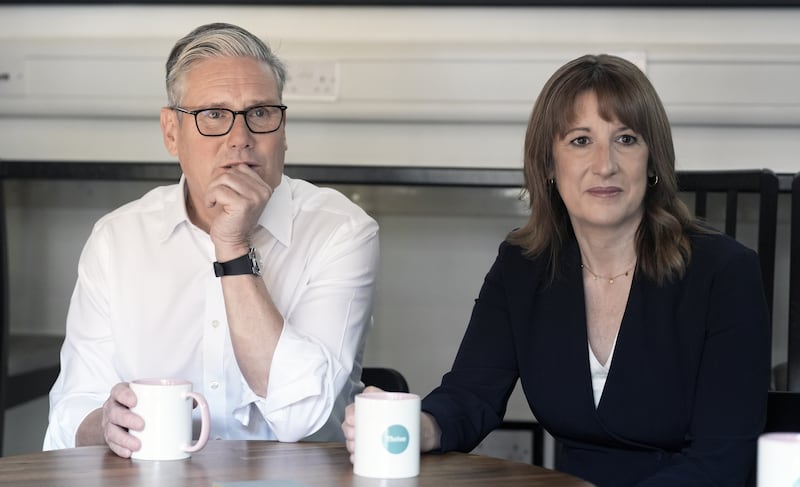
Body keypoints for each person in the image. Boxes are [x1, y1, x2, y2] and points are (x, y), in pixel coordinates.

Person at [343, 54, 770, 486]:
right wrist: (422, 427)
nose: (605, 164)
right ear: (549, 164)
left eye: (626, 139)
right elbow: (473, 395)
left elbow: (724, 455)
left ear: (653, 161)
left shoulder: (725, 272)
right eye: (580, 141)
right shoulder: (523, 266)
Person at [44, 22, 379, 457]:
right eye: (214, 116)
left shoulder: (341, 230)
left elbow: (302, 417)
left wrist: (233, 246)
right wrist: (105, 423)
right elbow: (69, 414)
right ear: (171, 133)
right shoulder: (117, 239)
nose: (241, 139)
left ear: (283, 131)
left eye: (260, 113)